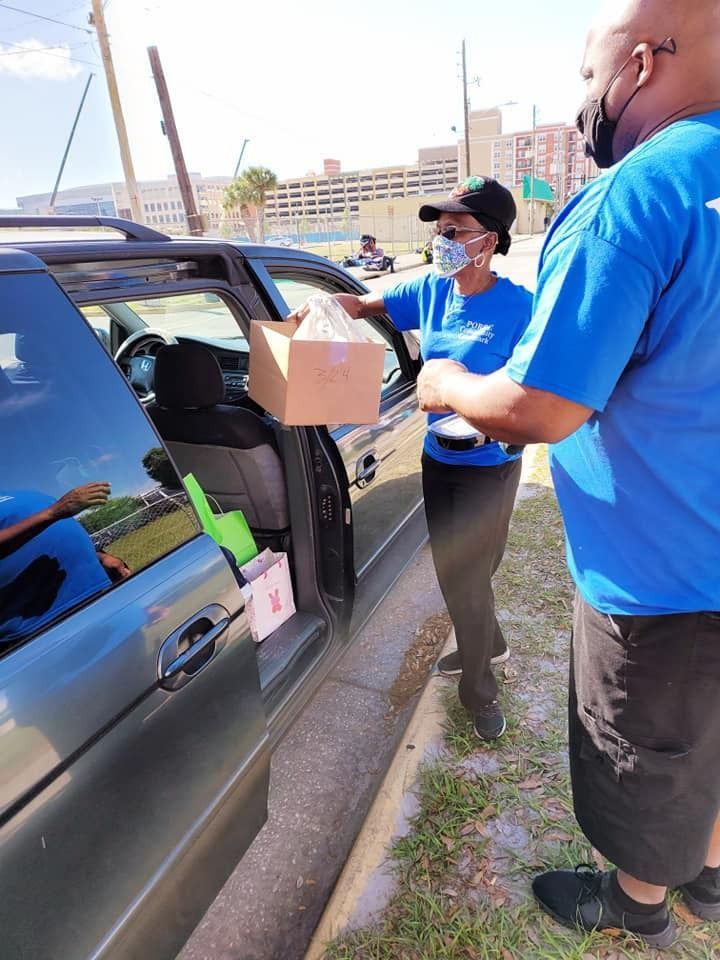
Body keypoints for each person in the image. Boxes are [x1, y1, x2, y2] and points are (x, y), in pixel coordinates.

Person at [416, 0, 720, 948]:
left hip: (663, 576)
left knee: (652, 759)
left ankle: (636, 905)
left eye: (587, 80)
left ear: (636, 65)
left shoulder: (645, 190)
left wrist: (444, 380)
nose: (588, 101)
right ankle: (709, 882)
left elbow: (544, 406)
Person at [291, 176, 532, 741]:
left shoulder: (521, 308)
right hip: (437, 459)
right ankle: (481, 671)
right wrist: (324, 304)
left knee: (474, 574)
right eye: (438, 230)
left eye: (455, 231)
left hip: (490, 465)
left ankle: (483, 666)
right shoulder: (430, 290)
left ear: (489, 241)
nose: (441, 240)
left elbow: (536, 388)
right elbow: (361, 302)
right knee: (461, 577)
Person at [0, 482, 130, 645]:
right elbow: (56, 513)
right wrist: (53, 512)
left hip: (103, 591)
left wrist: (99, 557)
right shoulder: (52, 505)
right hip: (42, 627)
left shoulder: (24, 493)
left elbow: (53, 533)